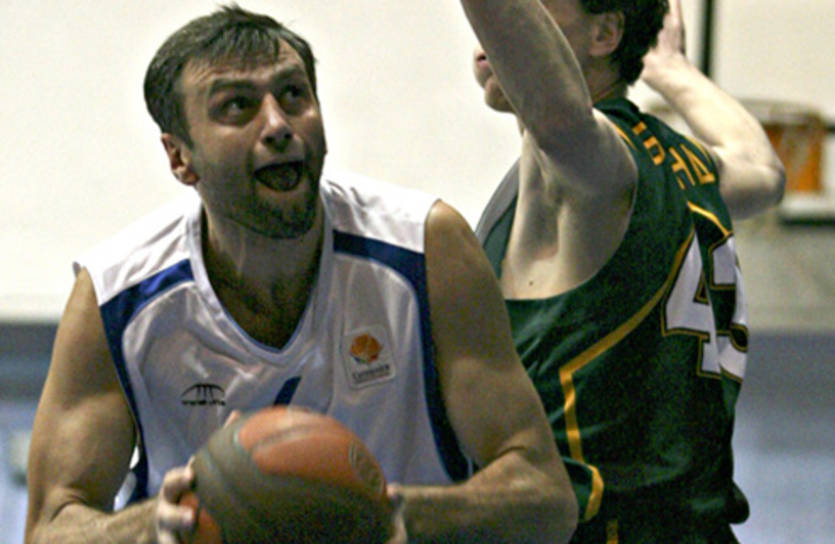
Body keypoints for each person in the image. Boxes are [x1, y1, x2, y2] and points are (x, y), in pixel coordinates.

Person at [24, 5, 579, 544]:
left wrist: (386, 512)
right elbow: (51, 526)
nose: (278, 125)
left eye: (294, 95)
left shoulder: (426, 247)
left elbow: (547, 499)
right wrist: (156, 525)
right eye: (237, 106)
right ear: (179, 157)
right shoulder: (116, 296)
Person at [461, 0, 785, 541]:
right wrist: (670, 67)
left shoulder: (593, 168)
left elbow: (559, 115)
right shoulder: (683, 162)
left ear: (605, 33)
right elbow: (763, 169)